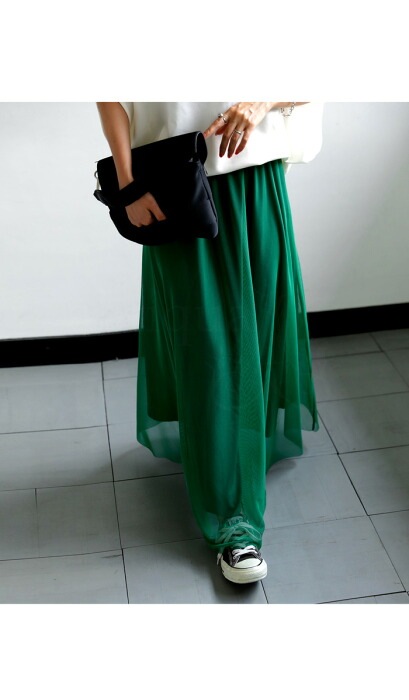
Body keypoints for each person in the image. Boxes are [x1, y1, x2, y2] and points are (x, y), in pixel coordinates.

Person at [96, 102, 321, 585]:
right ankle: (235, 524)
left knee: (259, 323)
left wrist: (261, 99)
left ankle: (234, 451)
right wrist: (127, 185)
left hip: (255, 174)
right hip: (172, 180)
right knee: (205, 347)